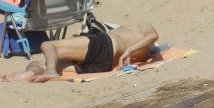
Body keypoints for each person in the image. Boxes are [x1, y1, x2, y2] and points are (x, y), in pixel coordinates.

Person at [0, 23, 158, 82]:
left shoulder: (141, 27)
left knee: (48, 45)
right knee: (35, 63)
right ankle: (25, 75)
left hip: (104, 45)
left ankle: (51, 71)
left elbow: (153, 35)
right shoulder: (142, 52)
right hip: (103, 65)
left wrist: (128, 51)